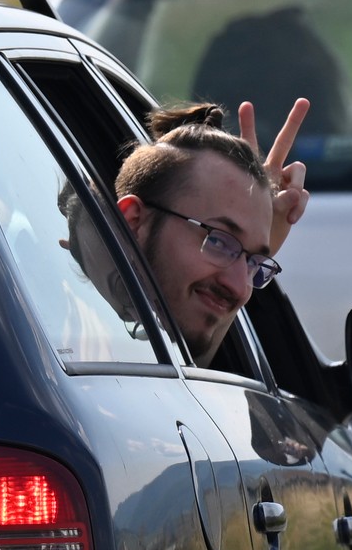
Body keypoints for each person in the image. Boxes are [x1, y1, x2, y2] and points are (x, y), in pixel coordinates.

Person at [112, 97, 309, 367]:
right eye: (217, 241)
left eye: (253, 263)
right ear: (134, 221)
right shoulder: (67, 329)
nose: (240, 288)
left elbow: (189, 364)